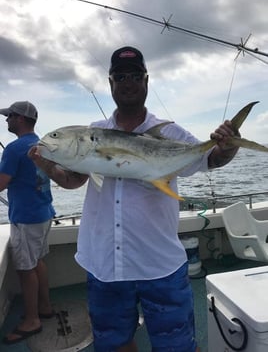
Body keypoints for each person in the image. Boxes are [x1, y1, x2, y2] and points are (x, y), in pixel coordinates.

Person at [29, 46, 240, 352]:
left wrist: (228, 147)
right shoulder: (94, 132)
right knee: (115, 344)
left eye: (135, 76)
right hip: (105, 263)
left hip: (159, 263)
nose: (128, 82)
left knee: (177, 346)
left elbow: (211, 159)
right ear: (111, 83)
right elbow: (73, 180)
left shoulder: (172, 133)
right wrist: (44, 159)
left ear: (146, 80)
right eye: (120, 76)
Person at [0, 101, 55, 345]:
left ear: (20, 118)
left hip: (25, 218)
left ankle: (32, 319)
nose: (6, 120)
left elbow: (1, 183)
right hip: (44, 213)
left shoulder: (13, 149)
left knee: (25, 268)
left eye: (9, 116)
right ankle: (44, 307)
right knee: (37, 262)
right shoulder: (43, 144)